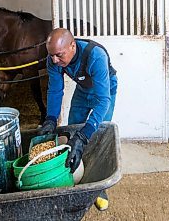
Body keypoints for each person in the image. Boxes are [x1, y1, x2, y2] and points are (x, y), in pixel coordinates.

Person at [38, 28, 118, 211]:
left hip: (105, 91)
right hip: (83, 90)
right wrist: (50, 119)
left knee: (96, 134)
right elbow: (55, 90)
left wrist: (85, 134)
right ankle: (72, 176)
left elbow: (103, 100)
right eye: (52, 56)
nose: (55, 61)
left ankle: (98, 188)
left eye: (59, 55)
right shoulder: (53, 59)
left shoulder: (95, 55)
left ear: (72, 46)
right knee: (73, 129)